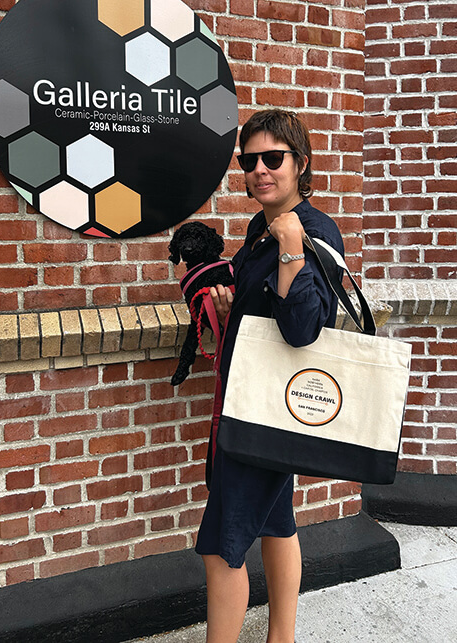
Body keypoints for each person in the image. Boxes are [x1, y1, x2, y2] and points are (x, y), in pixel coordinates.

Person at [194, 109, 345, 643]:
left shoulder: (313, 232)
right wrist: (229, 304)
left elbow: (303, 330)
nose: (260, 169)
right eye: (249, 160)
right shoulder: (262, 227)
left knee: (221, 547)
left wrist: (292, 249)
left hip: (264, 414)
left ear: (300, 163)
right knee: (277, 523)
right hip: (256, 402)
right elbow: (266, 310)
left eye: (273, 158)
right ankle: (283, 637)